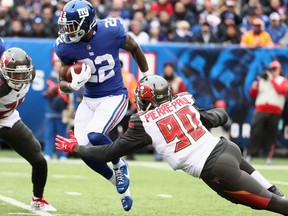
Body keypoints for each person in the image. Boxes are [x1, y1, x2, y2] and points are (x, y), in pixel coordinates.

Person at [56, 75, 287, 215]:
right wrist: (205, 114)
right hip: (228, 149)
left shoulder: (144, 122)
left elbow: (108, 152)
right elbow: (221, 117)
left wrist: (76, 148)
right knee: (268, 197)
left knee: (271, 205)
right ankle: (275, 190)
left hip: (215, 167)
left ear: (147, 100)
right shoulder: (183, 102)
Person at [55, 0, 149, 211]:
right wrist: (72, 84)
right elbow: (62, 84)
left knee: (95, 135)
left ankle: (119, 164)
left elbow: (133, 47)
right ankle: (118, 184)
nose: (67, 31)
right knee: (83, 148)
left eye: (72, 26)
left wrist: (146, 75)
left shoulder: (110, 30)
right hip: (89, 100)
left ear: (87, 23)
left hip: (114, 96)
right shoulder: (66, 45)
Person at [0, 47, 56, 212]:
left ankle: (38, 200)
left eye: (21, 74)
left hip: (8, 118)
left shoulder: (29, 73)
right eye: (14, 74)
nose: (18, 78)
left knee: (38, 159)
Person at [246, 60, 288, 164]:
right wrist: (255, 85)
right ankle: (250, 154)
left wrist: (272, 80)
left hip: (275, 111)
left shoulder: (282, 80)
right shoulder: (262, 80)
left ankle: (269, 156)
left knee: (272, 134)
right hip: (261, 109)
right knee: (256, 132)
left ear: (279, 70)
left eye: (275, 69)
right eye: (271, 69)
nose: (273, 71)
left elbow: (282, 90)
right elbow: (252, 94)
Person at [109, 60, 138, 161]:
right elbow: (134, 93)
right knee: (129, 134)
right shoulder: (129, 77)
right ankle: (129, 155)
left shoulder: (110, 76)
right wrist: (134, 107)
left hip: (114, 110)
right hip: (127, 110)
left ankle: (113, 154)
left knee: (112, 133)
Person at [43, 53, 69, 161]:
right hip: (51, 111)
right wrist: (49, 93)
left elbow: (72, 95)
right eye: (56, 65)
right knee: (49, 134)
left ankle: (62, 155)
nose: (58, 68)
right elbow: (43, 94)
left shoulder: (67, 79)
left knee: (62, 135)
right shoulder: (50, 78)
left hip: (63, 112)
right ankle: (48, 153)